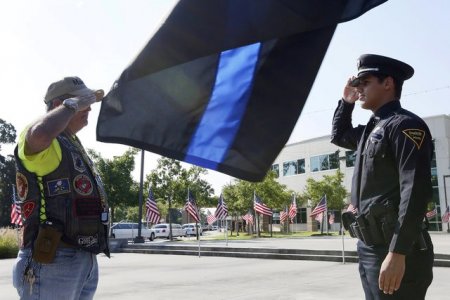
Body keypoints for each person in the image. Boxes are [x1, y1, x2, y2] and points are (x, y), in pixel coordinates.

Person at [331, 54, 434, 300]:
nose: (359, 89)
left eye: (364, 82)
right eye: (356, 85)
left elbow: (415, 192)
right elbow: (340, 135)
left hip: (396, 249)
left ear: (388, 83)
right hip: (369, 246)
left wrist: (398, 252)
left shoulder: (405, 125)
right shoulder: (373, 128)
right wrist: (347, 101)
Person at [12, 76, 110, 299]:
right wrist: (72, 105)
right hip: (52, 258)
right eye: (83, 102)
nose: (89, 108)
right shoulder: (40, 133)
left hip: (79, 257)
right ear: (58, 105)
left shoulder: (69, 142)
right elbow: (40, 134)